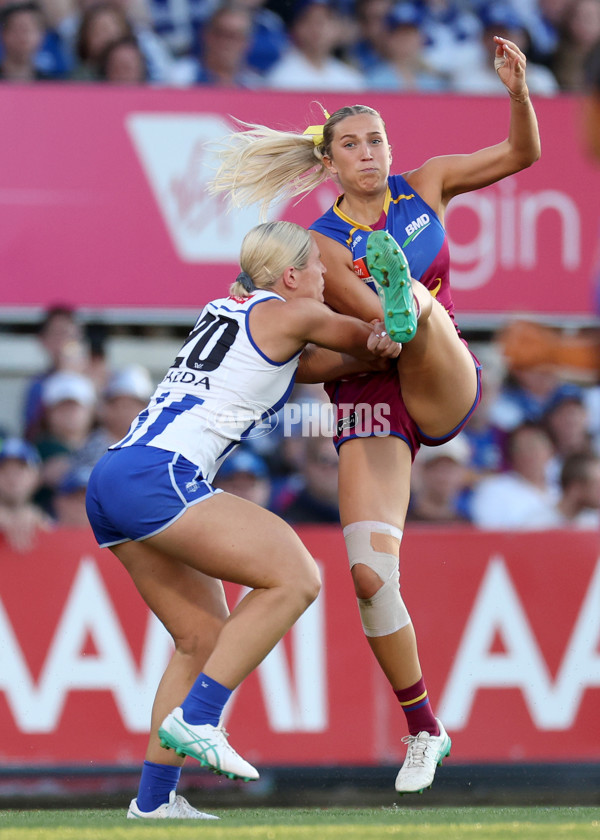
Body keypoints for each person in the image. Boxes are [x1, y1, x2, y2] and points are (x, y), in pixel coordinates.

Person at [209, 34, 540, 794]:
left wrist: (518, 91)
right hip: (368, 397)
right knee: (367, 575)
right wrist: (366, 347)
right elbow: (307, 364)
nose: (370, 153)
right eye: (353, 145)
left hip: (438, 372)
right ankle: (425, 730)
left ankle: (401, 305)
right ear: (330, 163)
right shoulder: (317, 244)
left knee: (418, 313)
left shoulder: (428, 185)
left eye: (377, 140)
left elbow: (522, 155)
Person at [85, 221, 400, 819]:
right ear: (289, 277)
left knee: (202, 638)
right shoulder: (292, 314)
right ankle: (201, 717)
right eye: (318, 269)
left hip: (115, 474)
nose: (326, 278)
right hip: (161, 474)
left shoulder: (233, 309)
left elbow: (318, 364)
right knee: (298, 577)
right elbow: (373, 337)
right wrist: (398, 316)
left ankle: (153, 803)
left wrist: (372, 345)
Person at [0, 436, 52, 552]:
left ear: (37, 476)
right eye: (3, 469)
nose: (12, 476)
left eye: (21, 468)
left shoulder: (45, 520)